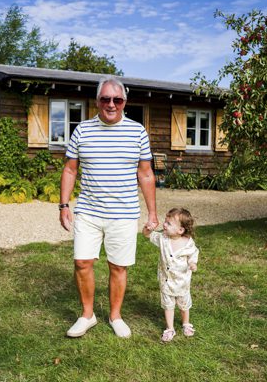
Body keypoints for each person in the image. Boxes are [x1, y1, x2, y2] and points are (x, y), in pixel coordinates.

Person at [60, 76, 158, 339]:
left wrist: (152, 213)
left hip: (124, 214)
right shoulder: (82, 130)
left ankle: (115, 316)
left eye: (117, 99)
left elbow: (146, 174)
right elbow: (70, 169)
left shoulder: (138, 132)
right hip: (89, 212)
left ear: (125, 102)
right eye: (106, 99)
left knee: (118, 266)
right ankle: (87, 315)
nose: (111, 104)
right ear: (97, 101)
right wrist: (64, 205)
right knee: (82, 263)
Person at [144, 207, 201, 343]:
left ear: (180, 230)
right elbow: (147, 235)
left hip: (182, 281)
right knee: (168, 305)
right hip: (166, 281)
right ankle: (170, 328)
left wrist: (193, 263)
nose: (164, 224)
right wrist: (148, 228)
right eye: (165, 221)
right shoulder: (163, 238)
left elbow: (193, 254)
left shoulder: (188, 243)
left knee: (183, 304)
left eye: (168, 223)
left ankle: (186, 323)